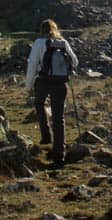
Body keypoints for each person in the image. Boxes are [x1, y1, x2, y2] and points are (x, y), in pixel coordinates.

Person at [25, 19, 78, 165]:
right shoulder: (63, 42)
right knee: (58, 117)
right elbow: (75, 62)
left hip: (43, 81)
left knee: (39, 103)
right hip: (61, 83)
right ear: (55, 29)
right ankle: (59, 153)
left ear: (41, 30)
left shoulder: (39, 43)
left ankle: (46, 135)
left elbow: (32, 64)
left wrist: (28, 86)